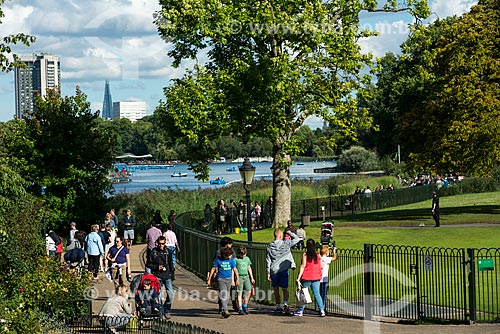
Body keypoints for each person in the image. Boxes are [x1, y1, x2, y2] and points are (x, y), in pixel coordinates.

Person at [266, 229, 300, 314]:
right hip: (283, 269)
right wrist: (289, 232)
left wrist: (268, 272)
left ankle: (278, 305)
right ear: (281, 236)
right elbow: (297, 239)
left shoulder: (270, 246)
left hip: (274, 269)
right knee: (285, 288)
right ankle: (285, 303)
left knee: (276, 288)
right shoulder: (285, 243)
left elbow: (268, 260)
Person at [294, 238, 325, 317]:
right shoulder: (318, 255)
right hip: (316, 277)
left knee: (304, 294)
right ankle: (321, 310)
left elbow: (303, 266)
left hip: (307, 277)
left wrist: (298, 277)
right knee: (317, 294)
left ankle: (300, 311)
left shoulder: (305, 255)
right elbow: (322, 266)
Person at [147, 235, 175, 320]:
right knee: (158, 295)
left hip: (167, 276)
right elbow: (148, 264)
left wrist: (172, 275)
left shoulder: (168, 251)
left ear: (165, 243)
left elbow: (171, 263)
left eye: (163, 244)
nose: (161, 245)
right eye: (160, 243)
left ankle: (167, 309)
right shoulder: (153, 252)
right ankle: (161, 312)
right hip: (157, 276)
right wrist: (156, 267)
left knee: (171, 294)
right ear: (157, 243)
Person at [207, 247, 240, 318]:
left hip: (229, 279)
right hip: (221, 279)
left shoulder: (231, 261)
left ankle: (223, 308)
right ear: (225, 255)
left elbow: (235, 269)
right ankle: (225, 310)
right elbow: (213, 269)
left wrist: (237, 279)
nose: (231, 256)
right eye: (230, 255)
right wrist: (209, 279)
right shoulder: (218, 260)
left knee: (227, 295)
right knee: (223, 294)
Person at [235, 246, 255, 315]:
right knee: (239, 293)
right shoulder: (236, 260)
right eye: (241, 254)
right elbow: (234, 269)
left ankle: (245, 305)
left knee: (248, 291)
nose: (243, 256)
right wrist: (235, 279)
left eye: (244, 254)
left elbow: (249, 268)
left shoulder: (247, 259)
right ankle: (240, 308)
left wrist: (252, 278)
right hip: (239, 277)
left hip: (246, 276)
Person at [319, 245, 337, 312]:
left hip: (319, 279)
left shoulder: (319, 258)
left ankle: (320, 307)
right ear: (326, 253)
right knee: (324, 294)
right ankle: (323, 308)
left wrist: (326, 248)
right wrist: (334, 251)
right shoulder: (327, 259)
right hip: (324, 279)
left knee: (320, 294)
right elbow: (334, 258)